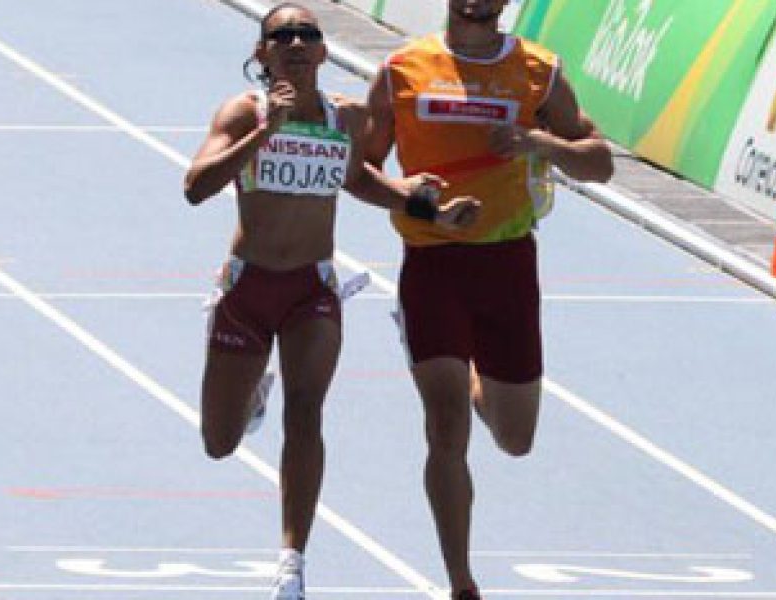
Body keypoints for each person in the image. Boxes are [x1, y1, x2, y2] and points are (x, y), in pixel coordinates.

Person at [182, 4, 479, 599]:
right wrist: (268, 133)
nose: (296, 41)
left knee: (307, 412)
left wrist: (427, 207)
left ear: (323, 51)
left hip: (311, 291)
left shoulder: (344, 118)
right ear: (262, 53)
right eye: (282, 35)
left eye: (308, 34)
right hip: (248, 290)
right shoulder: (244, 113)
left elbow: (363, 180)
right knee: (219, 442)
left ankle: (291, 563)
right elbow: (196, 187)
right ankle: (250, 398)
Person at [363, 1, 614, 598]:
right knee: (445, 427)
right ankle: (461, 582)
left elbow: (600, 163)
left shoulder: (539, 71)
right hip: (432, 263)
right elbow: (363, 171)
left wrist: (538, 142)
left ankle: (477, 374)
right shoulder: (403, 69)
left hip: (508, 266)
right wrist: (418, 202)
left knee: (515, 438)